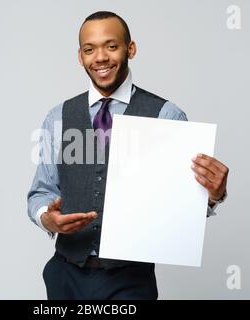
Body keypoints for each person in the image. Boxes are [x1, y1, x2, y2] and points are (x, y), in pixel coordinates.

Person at [27, 11, 229, 300]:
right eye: (89, 49)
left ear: (130, 49)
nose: (100, 58)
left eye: (111, 46)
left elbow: (183, 206)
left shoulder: (166, 116)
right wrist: (47, 218)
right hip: (64, 276)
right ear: (80, 56)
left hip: (130, 281)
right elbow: (40, 193)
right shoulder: (57, 117)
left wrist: (213, 195)